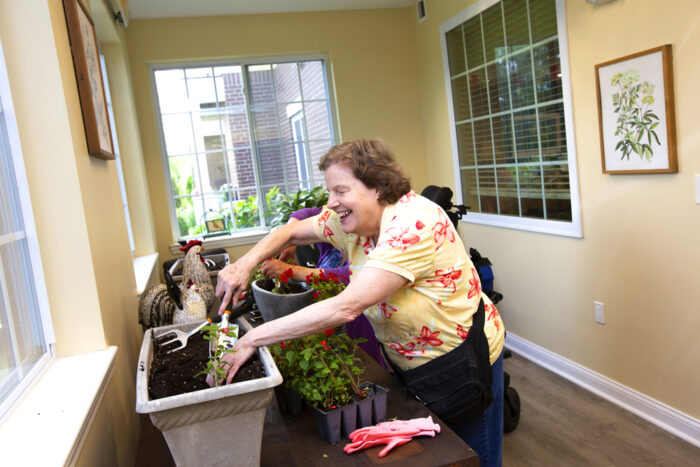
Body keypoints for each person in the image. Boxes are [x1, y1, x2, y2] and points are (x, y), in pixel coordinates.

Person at [214, 139, 506, 466]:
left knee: (469, 458)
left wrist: (253, 338)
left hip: (462, 361)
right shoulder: (354, 222)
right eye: (330, 192)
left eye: (340, 191)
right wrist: (244, 264)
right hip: (407, 363)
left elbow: (345, 307)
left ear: (378, 187)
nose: (331, 202)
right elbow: (293, 231)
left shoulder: (413, 223)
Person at [260, 207, 387, 369]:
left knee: (368, 364)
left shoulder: (376, 237)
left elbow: (349, 276)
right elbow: (306, 213)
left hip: (365, 319)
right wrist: (291, 240)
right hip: (336, 315)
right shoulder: (336, 219)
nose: (331, 202)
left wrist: (292, 270)